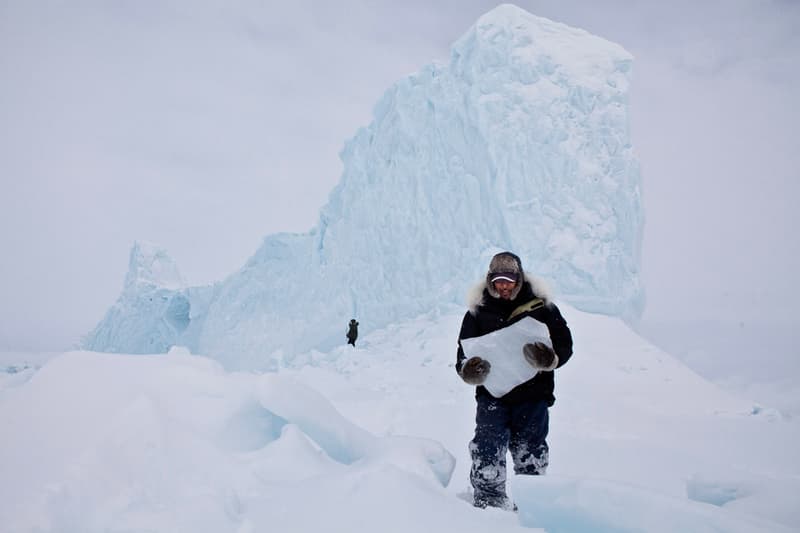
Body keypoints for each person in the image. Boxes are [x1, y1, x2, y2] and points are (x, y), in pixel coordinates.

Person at [456, 251, 573, 510]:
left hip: (532, 396)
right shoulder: (477, 312)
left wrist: (551, 359)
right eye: (498, 280)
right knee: (487, 448)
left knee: (530, 452)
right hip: (492, 397)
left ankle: (530, 507)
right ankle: (489, 502)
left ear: (518, 279)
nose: (503, 285)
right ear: (489, 280)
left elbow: (565, 343)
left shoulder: (542, 307)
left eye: (508, 280)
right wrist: (469, 371)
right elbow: (462, 355)